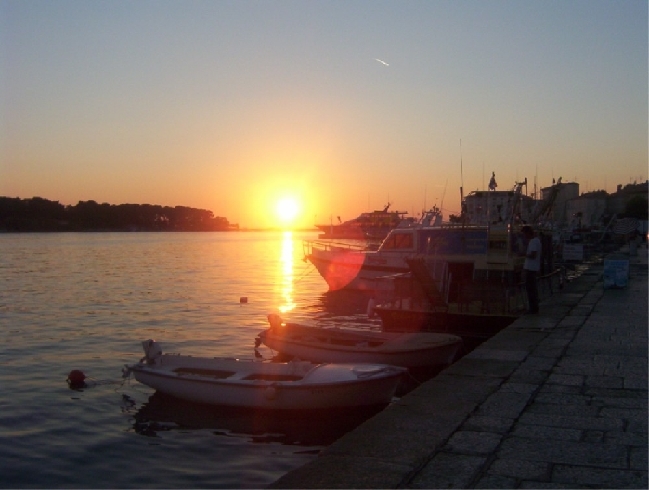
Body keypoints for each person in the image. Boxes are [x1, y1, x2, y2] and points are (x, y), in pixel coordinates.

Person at [521, 225, 541, 314]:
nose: (524, 236)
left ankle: (533, 309)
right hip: (533, 268)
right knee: (532, 289)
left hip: (530, 269)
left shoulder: (533, 242)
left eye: (524, 234)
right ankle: (534, 307)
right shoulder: (537, 241)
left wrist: (523, 254)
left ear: (528, 233)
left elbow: (533, 255)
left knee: (530, 290)